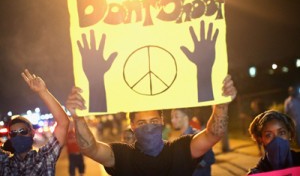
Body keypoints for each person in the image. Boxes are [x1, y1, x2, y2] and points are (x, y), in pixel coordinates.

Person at [65, 75, 236, 176]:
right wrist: (78, 117)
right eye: (141, 123)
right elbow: (90, 149)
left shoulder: (181, 149)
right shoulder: (121, 156)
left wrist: (221, 104)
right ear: (131, 125)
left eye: (154, 122)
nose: (148, 127)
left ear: (162, 121)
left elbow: (213, 134)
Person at [0, 69, 70, 176]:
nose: (18, 136)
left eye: (23, 131)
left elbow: (63, 123)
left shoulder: (45, 158)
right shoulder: (4, 164)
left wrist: (43, 91)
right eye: (13, 133)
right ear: (9, 137)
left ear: (32, 133)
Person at [247, 110, 300, 174]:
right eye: (268, 135)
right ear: (260, 139)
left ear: (289, 134)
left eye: (282, 132)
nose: (277, 140)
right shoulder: (258, 174)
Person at [171, 108, 215, 176]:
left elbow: (210, 158)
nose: (172, 120)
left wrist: (194, 164)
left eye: (176, 117)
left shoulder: (198, 136)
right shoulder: (180, 139)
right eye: (172, 117)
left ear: (185, 118)